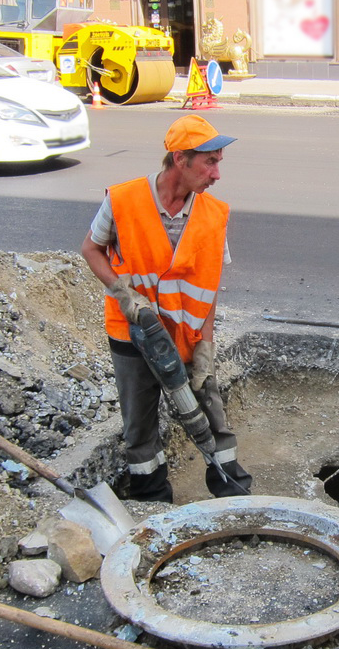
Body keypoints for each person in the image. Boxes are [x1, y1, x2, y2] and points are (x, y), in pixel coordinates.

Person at [79, 115, 253, 503]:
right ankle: (151, 501)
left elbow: (208, 288)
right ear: (179, 159)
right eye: (210, 162)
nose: (217, 174)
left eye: (219, 161)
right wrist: (123, 294)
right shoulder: (122, 199)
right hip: (132, 335)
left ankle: (234, 493)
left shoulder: (214, 214)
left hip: (187, 336)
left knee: (211, 415)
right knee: (139, 425)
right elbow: (91, 249)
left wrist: (205, 347)